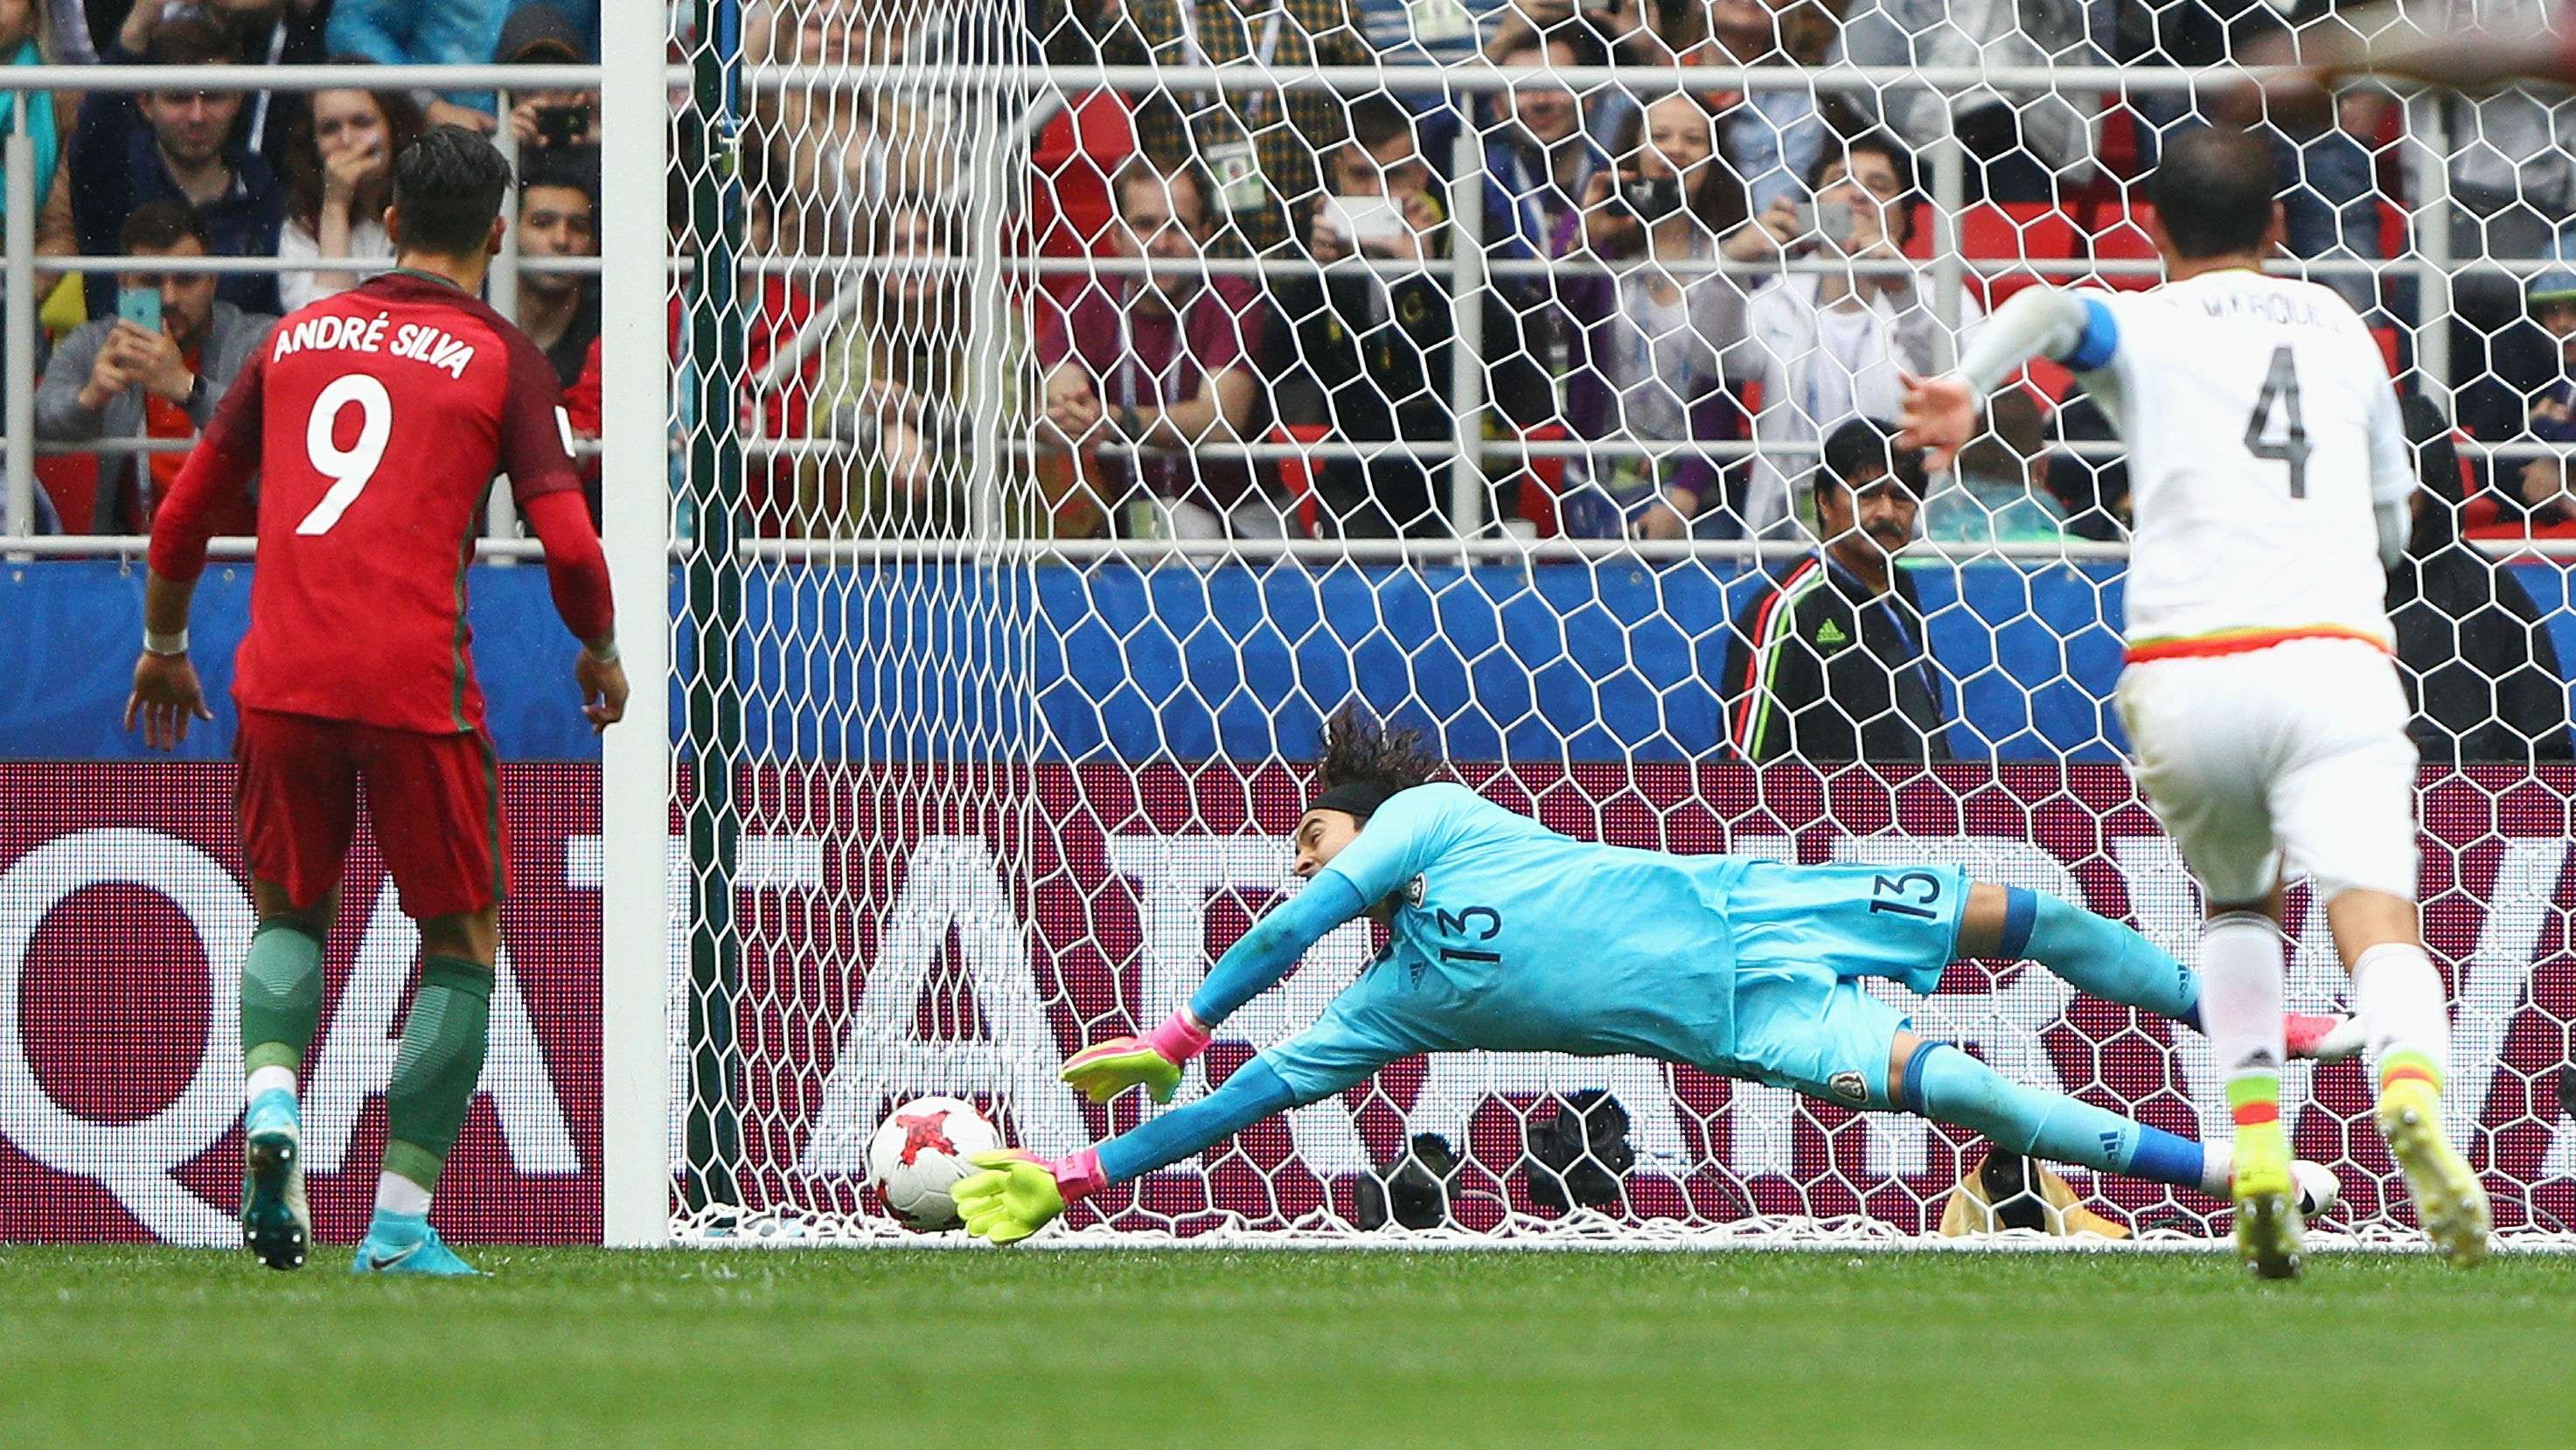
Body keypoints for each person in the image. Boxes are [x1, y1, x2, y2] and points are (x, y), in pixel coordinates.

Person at [946, 711, 2360, 1244]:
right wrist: (1082, 1175)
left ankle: (2260, 1019)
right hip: (1753, 1020)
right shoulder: (1392, 1004)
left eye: (1310, 835)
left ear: (1359, 824)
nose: (1301, 861)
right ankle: (2236, 1176)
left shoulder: (1433, 817)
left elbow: (1274, 944)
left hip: (1762, 903)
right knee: (1981, 1095)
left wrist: (1178, 1020)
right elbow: (1238, 1106)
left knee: (2032, 915)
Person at [1897, 126, 2489, 1275]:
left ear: (2154, 231)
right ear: (2278, 226)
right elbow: (2390, 523)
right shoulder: (2340, 329)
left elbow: (2051, 311)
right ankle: (2407, 1084)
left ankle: (2257, 1145)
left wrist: (1964, 386)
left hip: (2185, 667)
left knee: (2236, 909)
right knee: (2373, 913)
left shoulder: (2147, 324)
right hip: (2327, 658)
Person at [124, 126, 627, 1278]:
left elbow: (184, 513)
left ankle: (268, 1101)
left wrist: (162, 643)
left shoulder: (295, 340)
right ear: (497, 238)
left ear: (390, 222)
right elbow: (570, 546)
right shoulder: (504, 358)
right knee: (460, 938)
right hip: (413, 688)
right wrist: (597, 651)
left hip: (282, 680)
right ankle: (397, 1224)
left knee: (288, 915)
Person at [1270, 97, 1546, 537]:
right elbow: (1278, 363)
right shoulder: (1318, 237)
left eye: (1395, 174)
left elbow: (1507, 370)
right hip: (1357, 477)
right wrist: (1316, 275)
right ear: (1335, 176)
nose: (1379, 192)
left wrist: (1427, 275)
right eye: (1361, 176)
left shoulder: (1473, 231)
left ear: (1422, 174)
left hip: (1464, 469)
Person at [1558, 90, 1799, 539]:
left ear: (1714, 160)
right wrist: (1583, 244)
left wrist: (1686, 494)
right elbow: (1554, 307)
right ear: (1635, 149)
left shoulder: (1732, 252)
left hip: (1700, 495)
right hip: (1599, 482)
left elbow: (1723, 382)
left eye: (1694, 139)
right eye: (1660, 135)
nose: (1676, 150)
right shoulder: (1600, 237)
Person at [1737, 132, 1982, 538]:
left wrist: (1901, 292)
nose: (1857, 195)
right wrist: (1730, 264)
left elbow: (1960, 380)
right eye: (1839, 181)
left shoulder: (1940, 295)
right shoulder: (1780, 294)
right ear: (1811, 205)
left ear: (1904, 216)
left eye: (1878, 185)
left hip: (1904, 529)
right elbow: (1717, 358)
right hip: (1791, 535)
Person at [1034, 157, 1267, 539]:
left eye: (1180, 227)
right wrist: (1069, 417)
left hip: (1239, 516)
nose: (1162, 244)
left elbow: (1220, 421)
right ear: (1116, 237)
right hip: (1130, 520)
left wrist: (1117, 421)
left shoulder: (1231, 297)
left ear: (1205, 235)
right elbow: (1061, 400)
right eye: (1145, 226)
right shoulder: (1087, 300)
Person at [34, 200, 275, 533]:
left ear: (214, 280)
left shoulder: (260, 340)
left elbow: (284, 433)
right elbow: (40, 422)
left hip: (241, 561)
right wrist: (90, 398)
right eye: (152, 281)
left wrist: (188, 388)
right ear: (123, 282)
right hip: (133, 562)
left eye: (187, 280)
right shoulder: (94, 342)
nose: (170, 298)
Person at [1723, 417, 1949, 763]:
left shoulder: (1901, 589)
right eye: (1867, 494)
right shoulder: (1787, 608)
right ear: (1824, 502)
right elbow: (1743, 770)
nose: (1886, 512)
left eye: (1901, 496)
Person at [44, 14, 289, 318]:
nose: (197, 116)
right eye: (178, 98)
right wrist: (137, 25)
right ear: (145, 103)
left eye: (213, 97)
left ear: (238, 100)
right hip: (124, 360)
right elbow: (95, 131)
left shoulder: (265, 193)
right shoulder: (115, 178)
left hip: (236, 363)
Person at [2387, 394, 2573, 764]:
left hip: (2470, 809)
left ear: (2432, 479)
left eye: (2403, 482)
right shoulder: (2324, 584)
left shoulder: (2485, 589)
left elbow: (2544, 749)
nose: (2387, 497)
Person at [275, 70, 426, 311]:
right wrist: (335, 206)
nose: (346, 140)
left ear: (393, 127)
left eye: (362, 122)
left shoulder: (432, 206)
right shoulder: (302, 225)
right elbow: (322, 328)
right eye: (329, 129)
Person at [515, 157, 599, 390]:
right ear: (510, 234)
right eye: (542, 223)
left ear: (593, 246)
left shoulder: (607, 328)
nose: (561, 240)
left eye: (578, 227)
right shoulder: (480, 308)